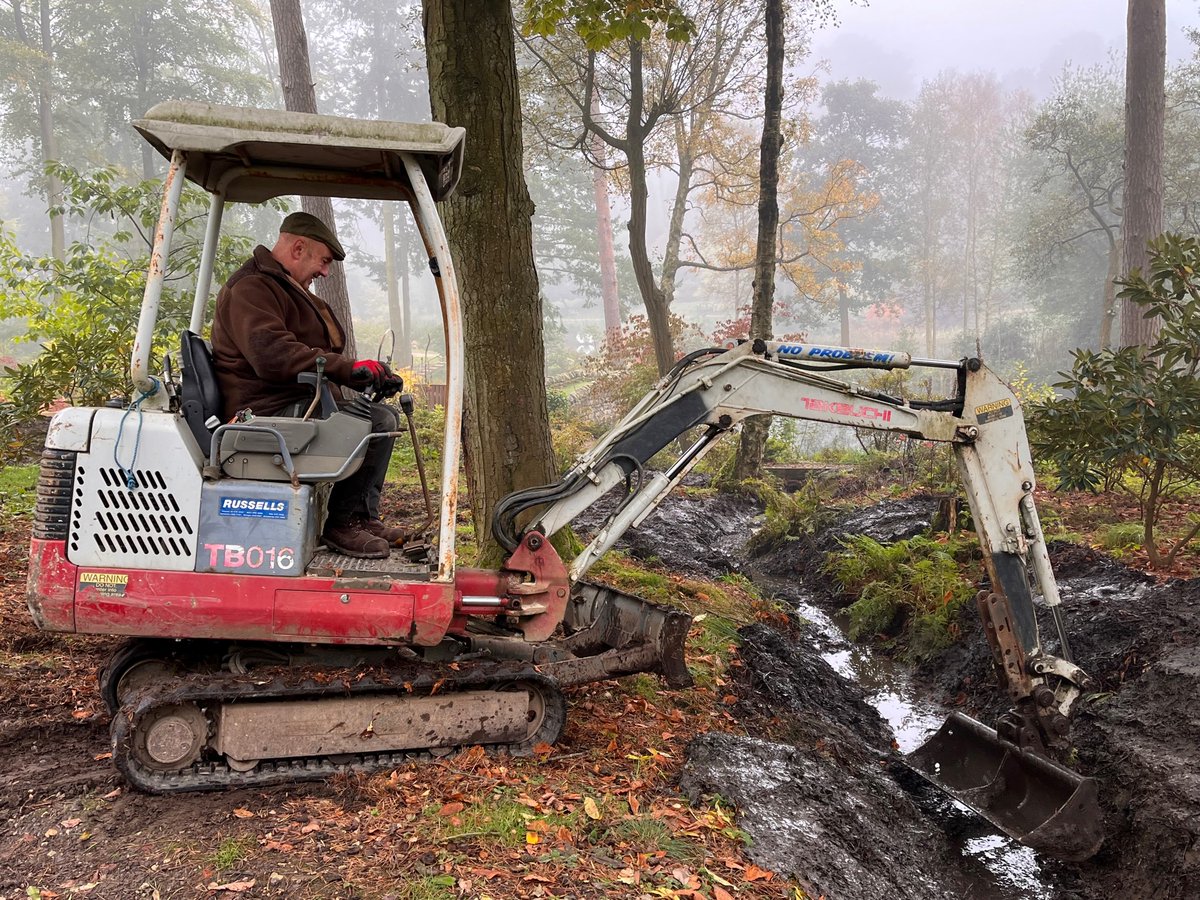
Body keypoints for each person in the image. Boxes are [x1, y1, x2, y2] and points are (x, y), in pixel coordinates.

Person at [211, 211, 405, 559]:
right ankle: (343, 524)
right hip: (262, 415)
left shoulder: (282, 286)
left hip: (295, 406)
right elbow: (272, 355)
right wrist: (346, 369)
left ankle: (362, 517)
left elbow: (315, 351)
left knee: (379, 418)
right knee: (375, 422)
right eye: (324, 261)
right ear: (299, 248)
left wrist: (364, 374)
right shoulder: (252, 288)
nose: (325, 272)